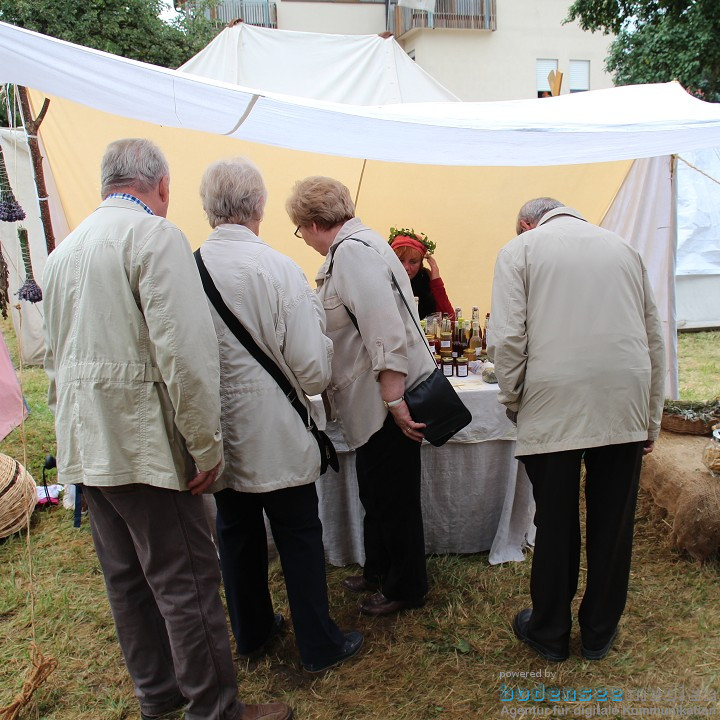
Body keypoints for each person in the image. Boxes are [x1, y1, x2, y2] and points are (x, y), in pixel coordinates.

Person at [43, 138, 290, 720]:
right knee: (186, 580)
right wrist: (204, 444)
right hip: (143, 443)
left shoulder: (64, 251)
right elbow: (185, 352)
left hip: (87, 439)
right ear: (161, 186)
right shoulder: (154, 237)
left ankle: (159, 696)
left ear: (107, 184)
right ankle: (215, 708)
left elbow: (47, 353)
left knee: (127, 579)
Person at [196, 157, 362, 673]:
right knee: (297, 535)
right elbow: (312, 371)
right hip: (277, 430)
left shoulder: (186, 267)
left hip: (217, 431)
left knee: (237, 533)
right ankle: (318, 643)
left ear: (207, 209)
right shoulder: (279, 269)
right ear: (260, 208)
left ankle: (251, 632)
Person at [490, 197, 665, 662]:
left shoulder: (520, 250)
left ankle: (548, 631)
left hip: (553, 399)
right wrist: (650, 418)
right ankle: (598, 632)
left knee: (554, 519)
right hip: (623, 396)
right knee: (614, 522)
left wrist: (513, 399)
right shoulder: (624, 249)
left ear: (526, 224)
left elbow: (507, 338)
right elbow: (653, 338)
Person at [286, 176, 434, 617]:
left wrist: (394, 399)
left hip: (382, 402)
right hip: (371, 400)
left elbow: (384, 327)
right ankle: (379, 571)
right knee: (377, 491)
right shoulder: (357, 245)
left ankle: (407, 586)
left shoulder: (352, 252)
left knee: (393, 497)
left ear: (312, 223)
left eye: (300, 230)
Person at [387, 228, 455, 319]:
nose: (406, 267)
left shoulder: (426, 280)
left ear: (421, 263)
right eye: (401, 261)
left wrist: (436, 281)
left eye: (413, 262)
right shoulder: (385, 281)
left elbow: (451, 321)